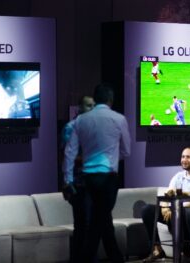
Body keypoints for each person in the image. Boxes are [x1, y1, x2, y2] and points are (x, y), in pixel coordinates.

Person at [62, 83, 131, 263]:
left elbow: (70, 152)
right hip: (108, 177)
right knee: (99, 221)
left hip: (88, 178)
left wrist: (67, 180)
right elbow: (126, 151)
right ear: (110, 99)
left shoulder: (80, 121)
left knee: (101, 220)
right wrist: (112, 157)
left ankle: (113, 258)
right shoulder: (119, 118)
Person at [141, 147, 190, 262]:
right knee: (147, 210)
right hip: (174, 211)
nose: (184, 160)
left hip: (189, 214)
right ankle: (157, 249)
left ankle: (187, 251)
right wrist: (165, 207)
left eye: (188, 157)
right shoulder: (178, 176)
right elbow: (168, 194)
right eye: (183, 157)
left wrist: (174, 208)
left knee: (180, 214)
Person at [61, 95, 95, 263]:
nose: (92, 109)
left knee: (92, 226)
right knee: (83, 226)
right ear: (79, 108)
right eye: (89, 105)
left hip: (94, 184)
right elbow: (68, 156)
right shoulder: (71, 127)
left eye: (94, 105)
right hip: (79, 185)